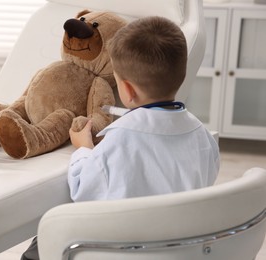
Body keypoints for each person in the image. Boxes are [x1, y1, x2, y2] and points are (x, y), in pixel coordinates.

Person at [21, 16, 220, 259]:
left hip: (122, 250)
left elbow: (85, 190)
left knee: (42, 239)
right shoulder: (203, 137)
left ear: (126, 90)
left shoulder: (120, 138)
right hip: (179, 249)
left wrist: (83, 149)